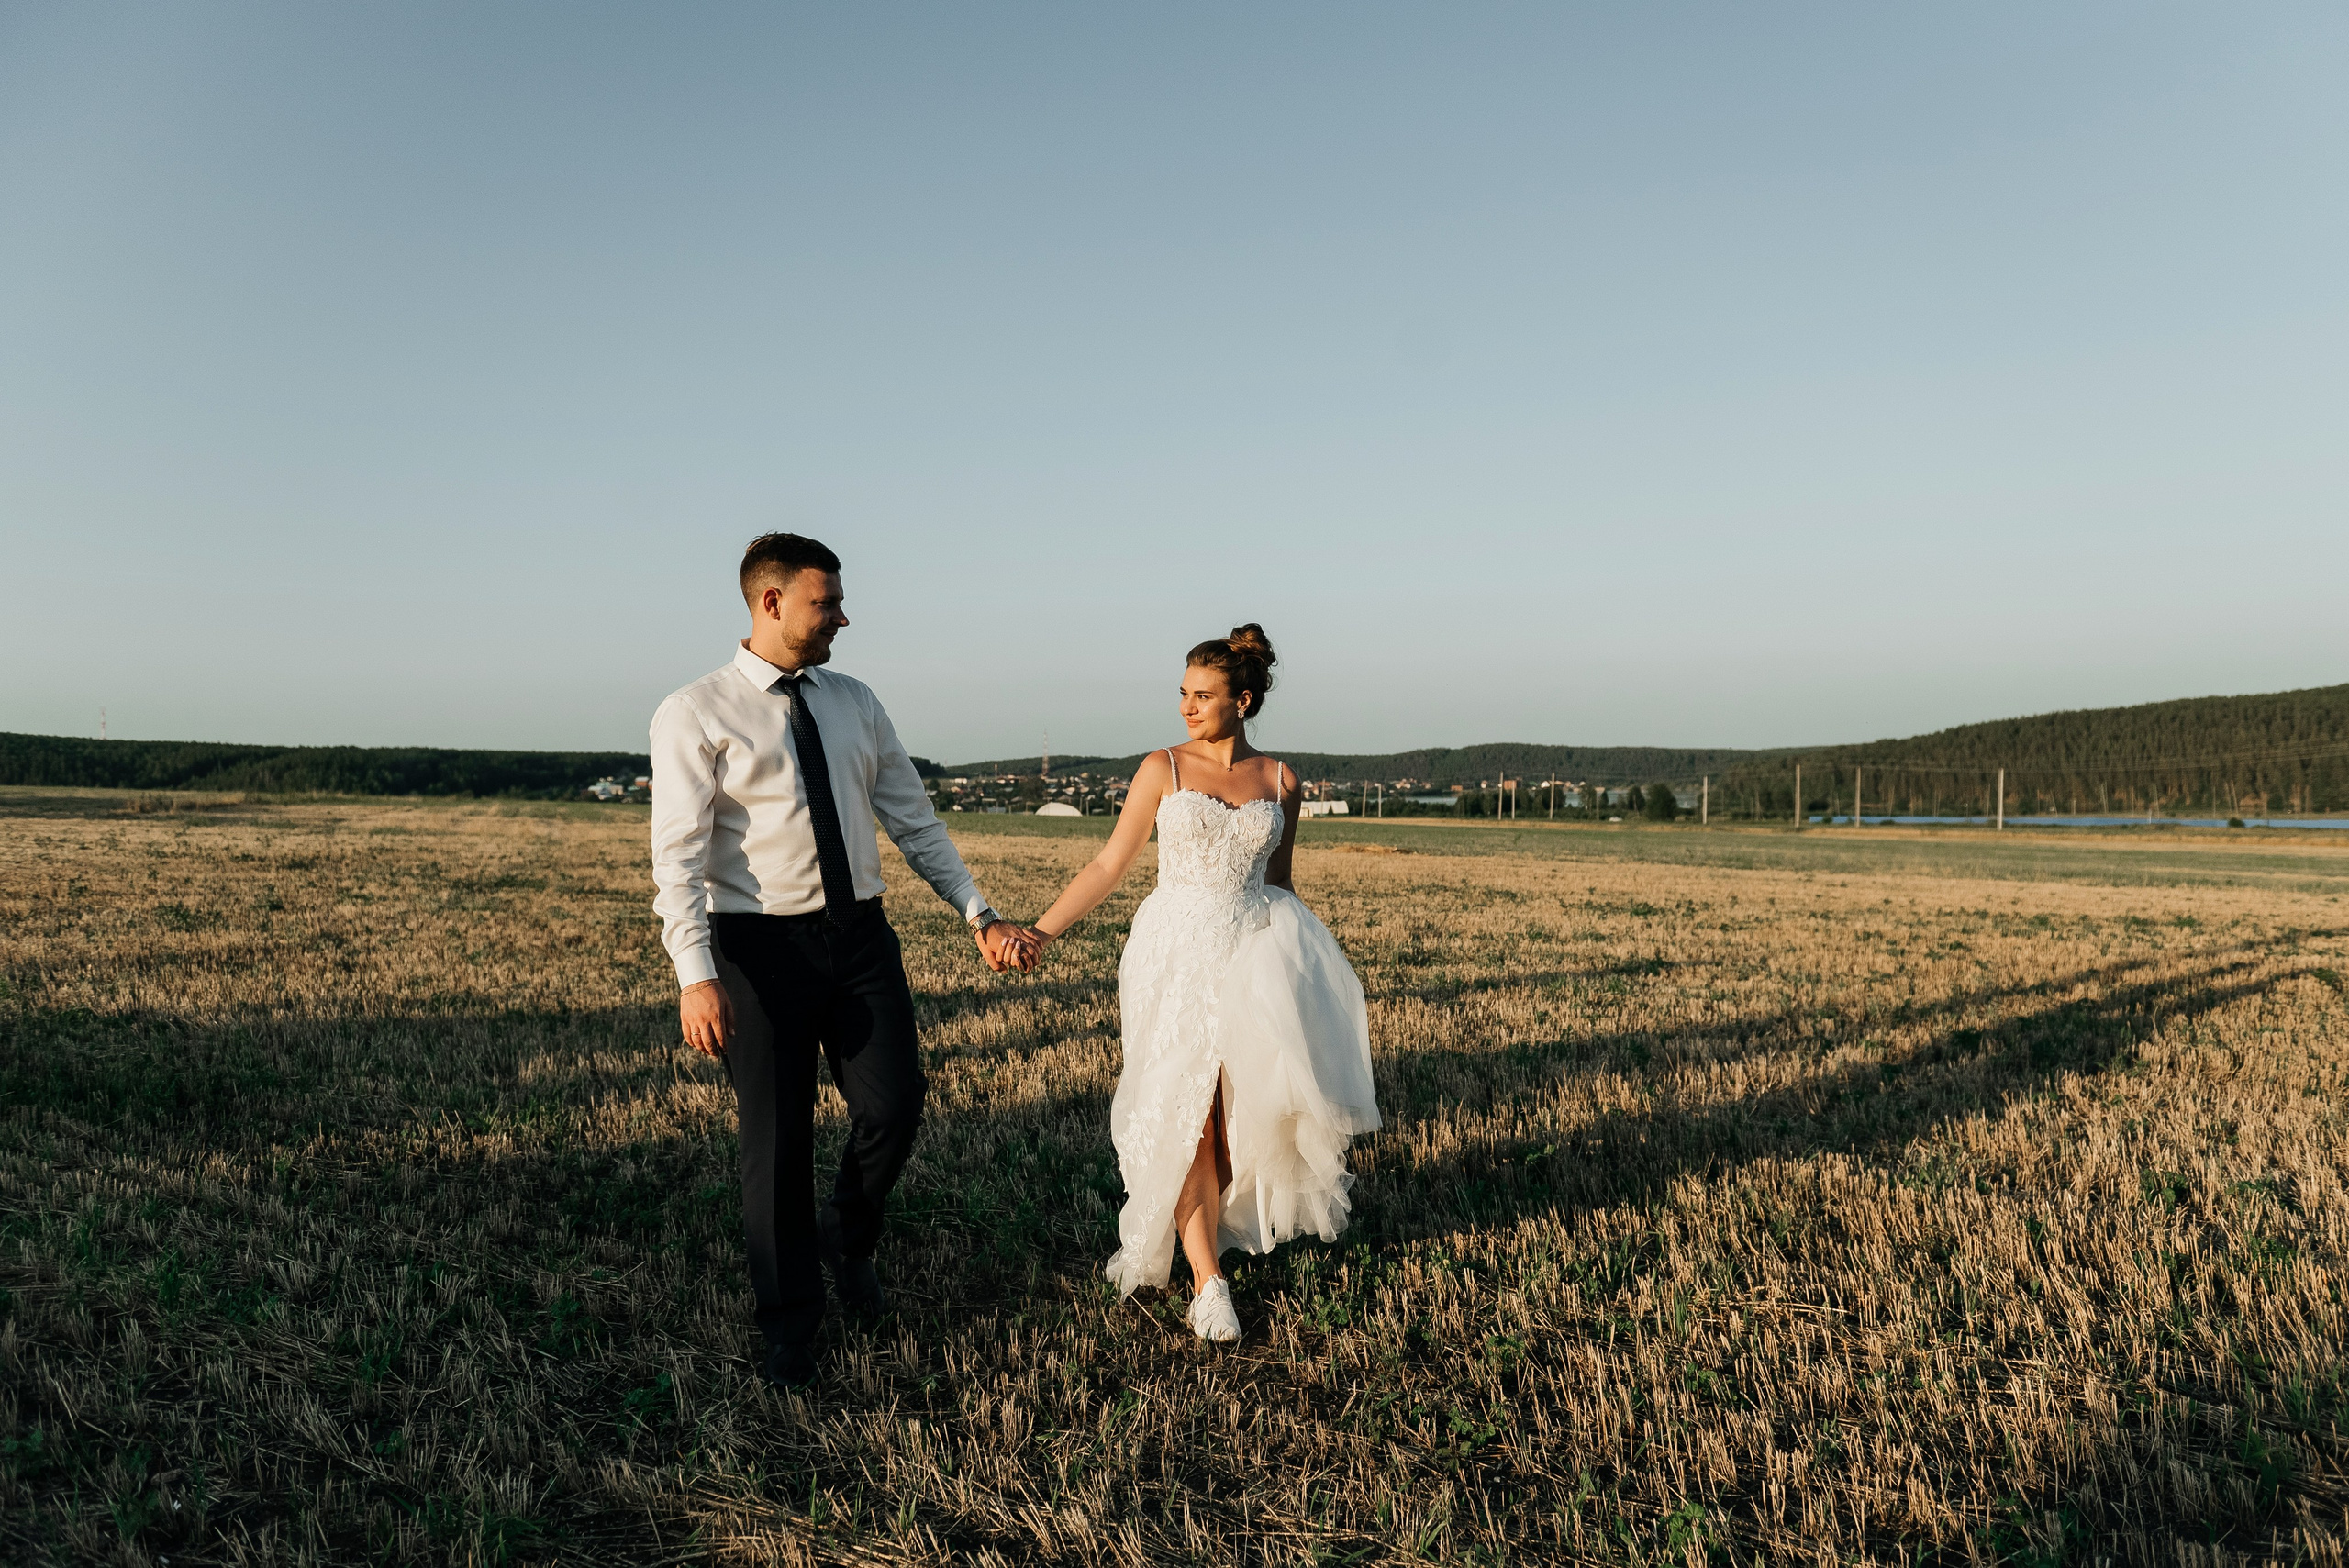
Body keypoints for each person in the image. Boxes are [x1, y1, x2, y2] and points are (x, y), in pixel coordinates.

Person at [649, 533, 1037, 1390]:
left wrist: (977, 909)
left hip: (859, 936)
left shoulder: (856, 701)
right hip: (758, 948)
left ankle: (848, 1235)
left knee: (896, 1105)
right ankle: (790, 1325)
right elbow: (675, 856)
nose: (843, 616)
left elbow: (913, 819)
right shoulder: (695, 712)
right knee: (777, 1140)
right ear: (772, 602)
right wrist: (695, 972)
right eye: (828, 602)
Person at [1015, 625, 1381, 1342]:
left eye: (1203, 695)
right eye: (1183, 692)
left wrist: (1297, 969)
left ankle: (1212, 1239)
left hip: (1253, 959)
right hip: (1175, 956)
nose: (1187, 706)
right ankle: (1208, 1280)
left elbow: (1280, 883)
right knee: (1186, 1114)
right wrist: (1040, 931)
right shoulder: (1164, 768)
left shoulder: (1281, 782)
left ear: (1241, 700)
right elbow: (1106, 866)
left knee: (1233, 1121)